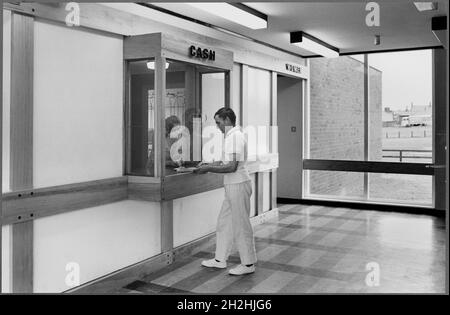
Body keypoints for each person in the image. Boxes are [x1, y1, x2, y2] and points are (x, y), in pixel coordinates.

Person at [193, 107, 257, 275]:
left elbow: (231, 166)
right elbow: (225, 162)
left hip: (238, 184)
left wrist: (208, 169)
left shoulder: (235, 137)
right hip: (232, 185)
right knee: (224, 222)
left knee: (240, 224)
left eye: (218, 122)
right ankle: (220, 259)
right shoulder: (232, 136)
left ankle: (248, 264)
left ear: (227, 120)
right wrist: (208, 164)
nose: (217, 126)